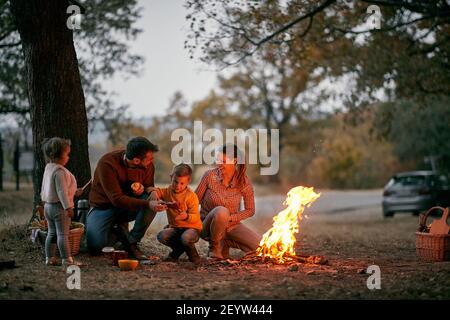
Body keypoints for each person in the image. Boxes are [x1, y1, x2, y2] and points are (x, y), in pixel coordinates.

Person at [86, 136, 167, 259]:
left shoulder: (147, 165)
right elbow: (116, 199)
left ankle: (131, 241)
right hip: (103, 207)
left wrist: (153, 192)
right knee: (96, 248)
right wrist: (147, 204)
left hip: (128, 207)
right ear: (136, 160)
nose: (152, 160)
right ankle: (118, 231)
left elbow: (148, 186)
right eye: (149, 158)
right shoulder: (107, 164)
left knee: (152, 201)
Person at [195, 143, 261, 260]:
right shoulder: (209, 176)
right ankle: (214, 247)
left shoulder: (243, 181)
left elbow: (250, 210)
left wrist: (231, 218)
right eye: (217, 159)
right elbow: (194, 200)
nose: (219, 163)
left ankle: (225, 242)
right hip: (207, 226)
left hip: (231, 226)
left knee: (262, 247)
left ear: (234, 161)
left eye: (223, 161)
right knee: (221, 212)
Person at [40, 137, 83, 266]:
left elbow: (50, 188)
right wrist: (68, 207)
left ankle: (49, 258)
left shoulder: (49, 168)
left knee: (52, 233)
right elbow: (61, 192)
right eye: (67, 154)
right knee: (63, 234)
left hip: (48, 206)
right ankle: (67, 259)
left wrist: (74, 192)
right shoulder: (60, 172)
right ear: (58, 155)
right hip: (60, 208)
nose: (68, 157)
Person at [150, 164, 202, 264]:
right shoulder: (168, 192)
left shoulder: (191, 196)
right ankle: (178, 250)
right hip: (176, 227)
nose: (178, 186)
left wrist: (186, 216)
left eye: (182, 183)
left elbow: (196, 217)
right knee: (162, 236)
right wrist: (153, 192)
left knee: (186, 238)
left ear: (188, 182)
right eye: (175, 182)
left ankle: (193, 256)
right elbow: (157, 190)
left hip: (192, 228)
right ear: (171, 178)